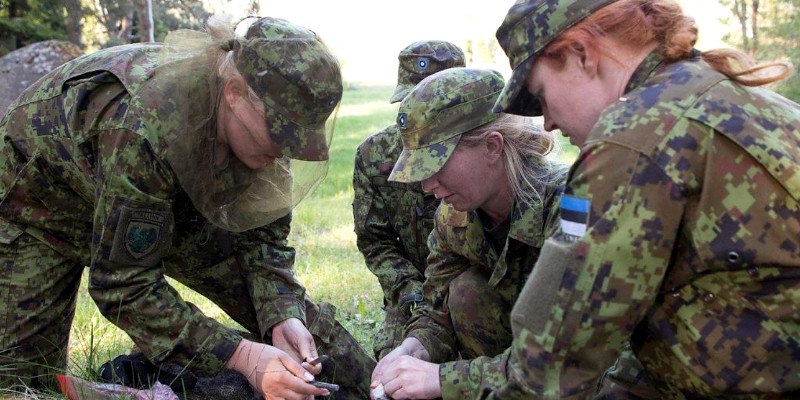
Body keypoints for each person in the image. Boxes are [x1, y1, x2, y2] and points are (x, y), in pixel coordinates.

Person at [0, 14, 375, 399]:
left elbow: (262, 238)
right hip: (45, 205)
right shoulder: (146, 124)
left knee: (314, 344)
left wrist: (281, 312)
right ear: (233, 92)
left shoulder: (261, 135)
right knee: (20, 384)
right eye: (280, 132)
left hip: (164, 195)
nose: (286, 149)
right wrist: (243, 356)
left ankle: (379, 386)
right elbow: (124, 283)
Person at [491, 0, 800, 398]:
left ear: (581, 54)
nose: (547, 121)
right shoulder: (724, 91)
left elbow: (554, 359)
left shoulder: (635, 134)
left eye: (541, 95)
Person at [369, 67, 567, 400]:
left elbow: (565, 354)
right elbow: (438, 307)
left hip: (581, 374)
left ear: (492, 146)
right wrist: (413, 348)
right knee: (465, 293)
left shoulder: (568, 209)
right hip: (512, 370)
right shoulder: (453, 217)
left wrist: (444, 379)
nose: (428, 186)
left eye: (436, 165)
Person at [352, 40, 465, 360]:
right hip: (410, 295)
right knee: (396, 360)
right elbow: (376, 242)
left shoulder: (479, 155)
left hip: (471, 290)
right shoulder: (374, 156)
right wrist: (413, 296)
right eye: (412, 103)